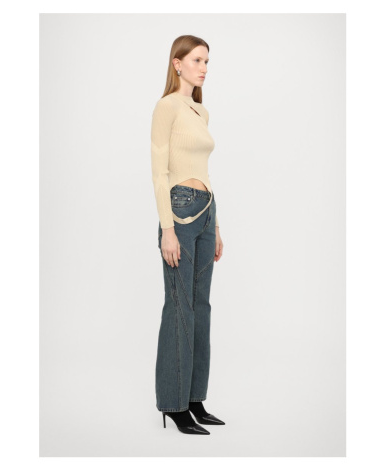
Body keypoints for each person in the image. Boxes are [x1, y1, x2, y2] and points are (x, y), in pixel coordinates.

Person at [151, 35, 225, 435]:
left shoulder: (201, 111)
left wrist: (217, 226)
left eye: (207, 61)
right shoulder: (167, 106)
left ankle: (195, 400)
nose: (204, 68)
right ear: (177, 64)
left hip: (206, 210)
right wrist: (167, 228)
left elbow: (206, 171)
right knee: (179, 307)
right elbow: (159, 169)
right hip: (179, 211)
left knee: (201, 308)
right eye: (197, 60)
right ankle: (174, 404)